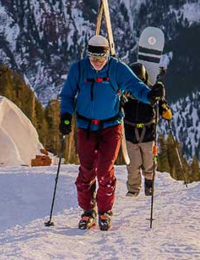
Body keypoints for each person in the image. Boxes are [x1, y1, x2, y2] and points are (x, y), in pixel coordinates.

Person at [59, 35, 164, 231]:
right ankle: (88, 211)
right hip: (85, 127)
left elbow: (136, 86)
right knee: (86, 170)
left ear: (107, 55)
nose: (97, 63)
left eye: (100, 59)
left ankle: (105, 211)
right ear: (88, 55)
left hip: (110, 127)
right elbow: (67, 95)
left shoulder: (117, 69)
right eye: (93, 58)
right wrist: (65, 116)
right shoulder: (79, 69)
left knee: (105, 171)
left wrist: (150, 95)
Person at [121, 62, 158, 197]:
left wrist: (163, 106)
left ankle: (148, 184)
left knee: (149, 163)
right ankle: (133, 189)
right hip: (132, 133)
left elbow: (160, 103)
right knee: (133, 165)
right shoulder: (125, 96)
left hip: (146, 133)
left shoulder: (149, 93)